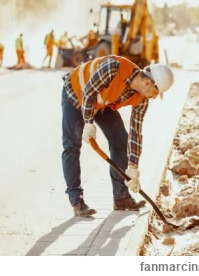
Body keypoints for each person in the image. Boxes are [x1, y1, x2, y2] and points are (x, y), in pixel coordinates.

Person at [61, 55, 174, 217]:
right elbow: (88, 92)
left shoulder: (141, 99)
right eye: (155, 92)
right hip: (76, 93)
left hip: (101, 102)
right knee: (72, 145)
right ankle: (76, 200)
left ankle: (121, 197)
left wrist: (133, 167)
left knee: (121, 140)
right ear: (147, 83)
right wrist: (88, 122)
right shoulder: (114, 68)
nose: (154, 96)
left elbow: (136, 132)